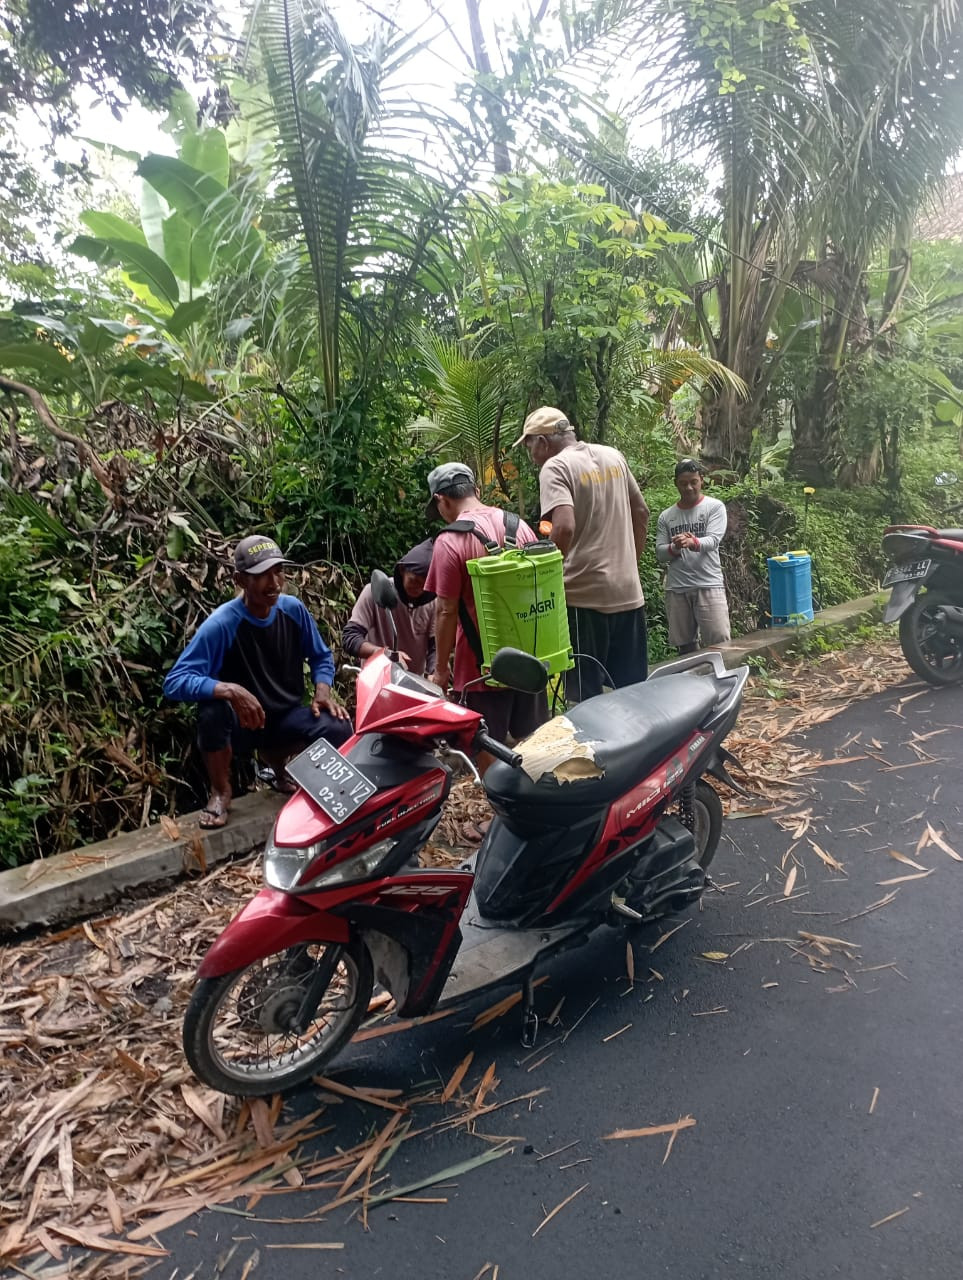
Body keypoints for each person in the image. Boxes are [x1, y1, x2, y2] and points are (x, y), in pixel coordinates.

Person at [164, 534, 351, 829]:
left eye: (278, 571)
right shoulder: (222, 623)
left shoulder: (293, 610)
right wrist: (229, 690)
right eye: (261, 575)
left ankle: (287, 772)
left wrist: (323, 690)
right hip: (245, 725)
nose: (274, 583)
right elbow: (175, 681)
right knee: (212, 712)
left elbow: (321, 656)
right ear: (240, 580)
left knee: (338, 725)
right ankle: (221, 792)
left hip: (286, 717)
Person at [514, 406, 650, 701]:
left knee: (584, 699)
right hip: (628, 594)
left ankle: (596, 748)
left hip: (583, 600)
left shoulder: (555, 467)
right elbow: (642, 512)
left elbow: (563, 527)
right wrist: (630, 566)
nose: (532, 456)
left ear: (542, 441)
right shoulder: (613, 455)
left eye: (529, 447)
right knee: (634, 694)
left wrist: (549, 580)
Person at [423, 462, 549, 765]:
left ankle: (500, 805)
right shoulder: (520, 527)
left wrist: (440, 669)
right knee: (534, 746)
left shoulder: (450, 542)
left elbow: (445, 611)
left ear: (442, 500)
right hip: (528, 660)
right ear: (476, 490)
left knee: (487, 749)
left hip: (480, 671)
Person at [655, 458, 732, 653]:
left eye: (693, 482)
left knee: (719, 642)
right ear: (676, 484)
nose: (689, 487)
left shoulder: (714, 507)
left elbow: (713, 540)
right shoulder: (666, 516)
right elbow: (660, 553)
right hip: (677, 588)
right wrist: (675, 547)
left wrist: (693, 542)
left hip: (708, 584)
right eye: (683, 483)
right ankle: (692, 681)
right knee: (685, 646)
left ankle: (723, 681)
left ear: (702, 480)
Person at [342, 539, 436, 674]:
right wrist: (383, 654)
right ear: (403, 570)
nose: (419, 589)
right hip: (375, 680)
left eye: (425, 584)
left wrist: (434, 673)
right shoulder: (374, 592)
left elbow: (435, 647)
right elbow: (350, 637)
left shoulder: (433, 602)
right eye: (414, 581)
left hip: (414, 685)